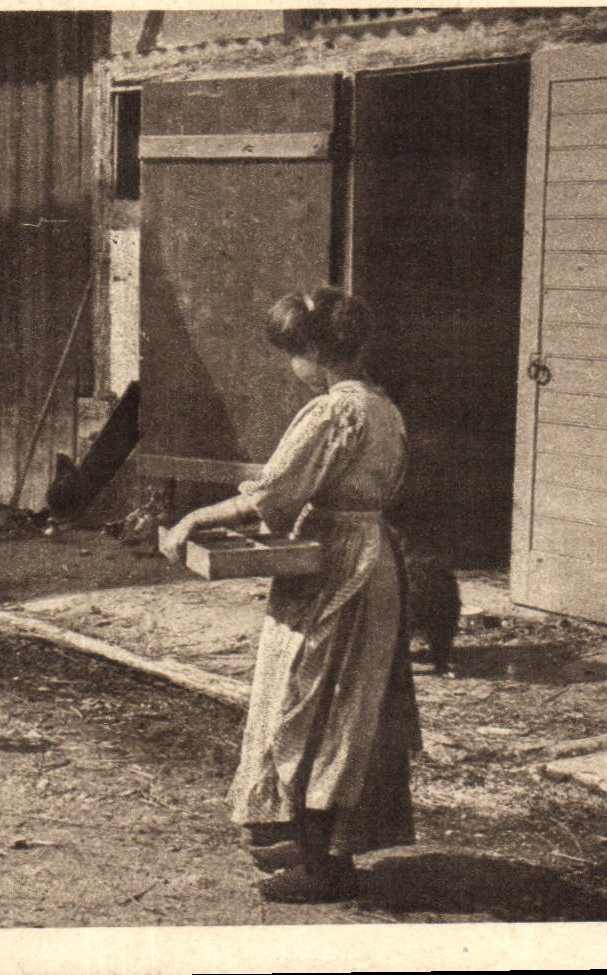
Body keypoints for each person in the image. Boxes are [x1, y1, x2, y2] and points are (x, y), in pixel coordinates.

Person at [159, 287, 420, 903]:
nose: (290, 369)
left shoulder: (333, 412)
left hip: (334, 568)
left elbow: (273, 499)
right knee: (352, 709)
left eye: (292, 355)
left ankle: (309, 862)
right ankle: (333, 856)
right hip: (375, 557)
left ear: (314, 353)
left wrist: (194, 519)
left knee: (304, 702)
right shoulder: (385, 408)